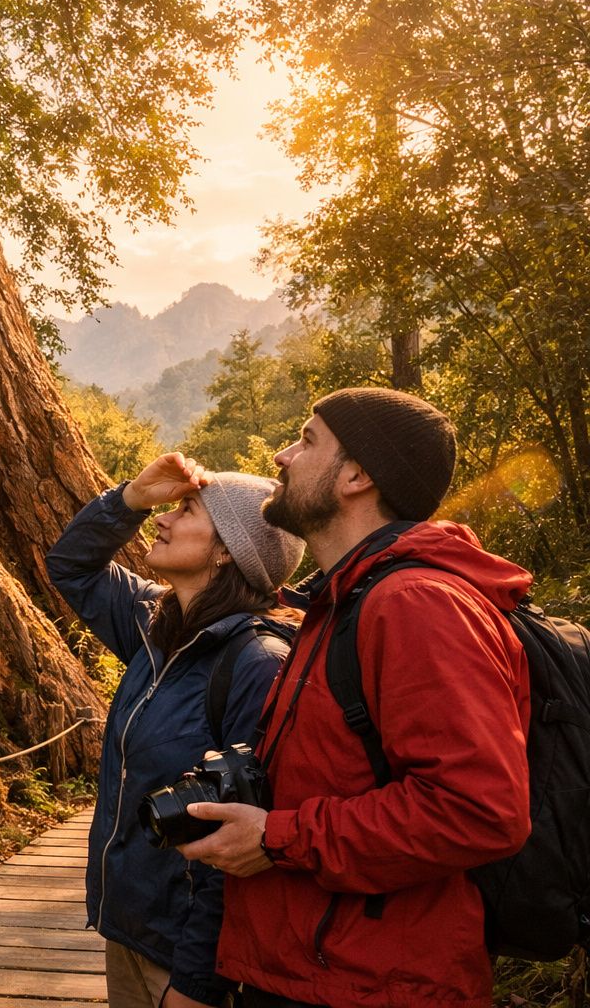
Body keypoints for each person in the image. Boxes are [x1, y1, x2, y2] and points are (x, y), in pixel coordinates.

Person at [177, 388, 531, 1008]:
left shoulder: (415, 604)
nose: (283, 456)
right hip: (311, 970)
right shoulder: (340, 603)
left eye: (307, 439)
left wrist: (278, 837)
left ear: (357, 476)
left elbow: (479, 810)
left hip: (373, 983)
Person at [47, 452, 305, 1008]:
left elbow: (238, 846)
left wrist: (196, 982)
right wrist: (130, 500)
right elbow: (70, 565)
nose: (163, 518)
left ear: (225, 551)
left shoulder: (257, 664)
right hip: (129, 934)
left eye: (186, 509)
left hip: (188, 961)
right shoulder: (156, 625)